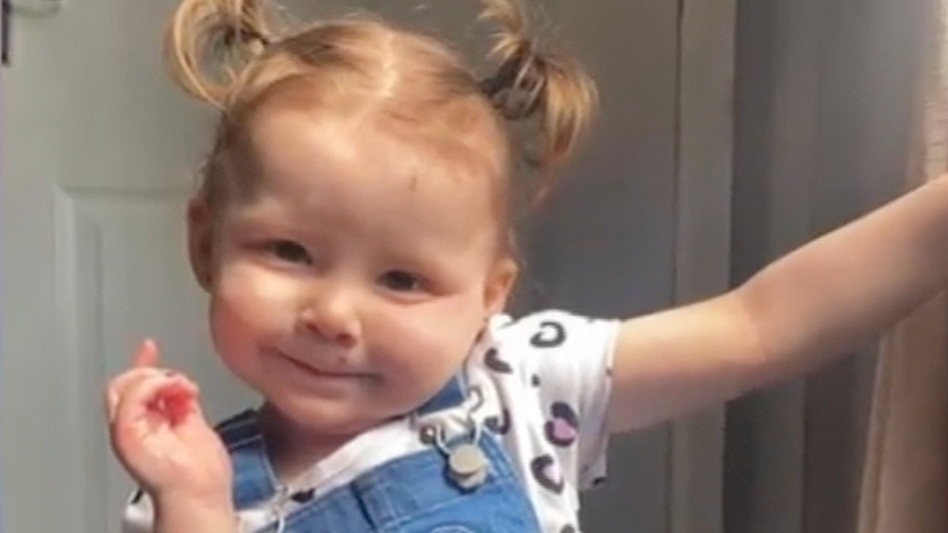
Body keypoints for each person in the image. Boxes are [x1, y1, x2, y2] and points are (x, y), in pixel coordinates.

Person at [105, 0, 948, 531]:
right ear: (205, 244)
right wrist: (198, 508)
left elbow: (760, 326)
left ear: (488, 296)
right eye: (289, 252)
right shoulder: (183, 490)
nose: (334, 312)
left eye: (401, 278)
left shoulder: (521, 379)